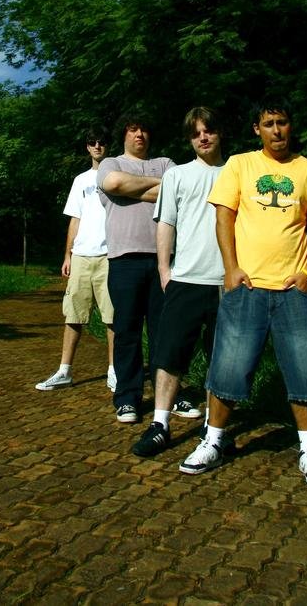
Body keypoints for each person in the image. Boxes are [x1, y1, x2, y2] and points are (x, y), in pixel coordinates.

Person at [179, 99, 307, 488]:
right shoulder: (240, 165)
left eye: (282, 122)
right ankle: (213, 441)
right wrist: (231, 269)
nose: (276, 130)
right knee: (228, 367)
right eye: (268, 123)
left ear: (290, 125)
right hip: (247, 287)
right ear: (257, 129)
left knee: (304, 369)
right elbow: (224, 216)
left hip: (292, 291)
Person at [132, 106, 226, 457]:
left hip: (227, 281)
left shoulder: (237, 172)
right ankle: (160, 424)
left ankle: (213, 427)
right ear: (189, 139)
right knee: (169, 354)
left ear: (219, 133)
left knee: (221, 358)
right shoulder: (177, 175)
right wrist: (164, 270)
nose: (203, 137)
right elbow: (165, 223)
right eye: (195, 133)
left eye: (208, 130)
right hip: (185, 278)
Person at [98, 111, 190, 424]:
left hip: (164, 261)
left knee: (166, 332)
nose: (139, 135)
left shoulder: (165, 162)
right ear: (124, 134)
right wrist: (160, 188)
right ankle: (127, 398)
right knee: (127, 332)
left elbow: (180, 191)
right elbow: (113, 182)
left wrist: (131, 189)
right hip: (124, 260)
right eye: (133, 129)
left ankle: (171, 396)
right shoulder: (111, 163)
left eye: (144, 130)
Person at [35, 126, 116, 393]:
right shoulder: (80, 180)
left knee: (112, 318)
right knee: (73, 315)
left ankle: (114, 371)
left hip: (110, 256)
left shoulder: (119, 175)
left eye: (102, 141)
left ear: (108, 145)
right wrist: (67, 255)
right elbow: (75, 218)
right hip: (81, 256)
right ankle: (64, 371)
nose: (97, 146)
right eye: (92, 142)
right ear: (87, 147)